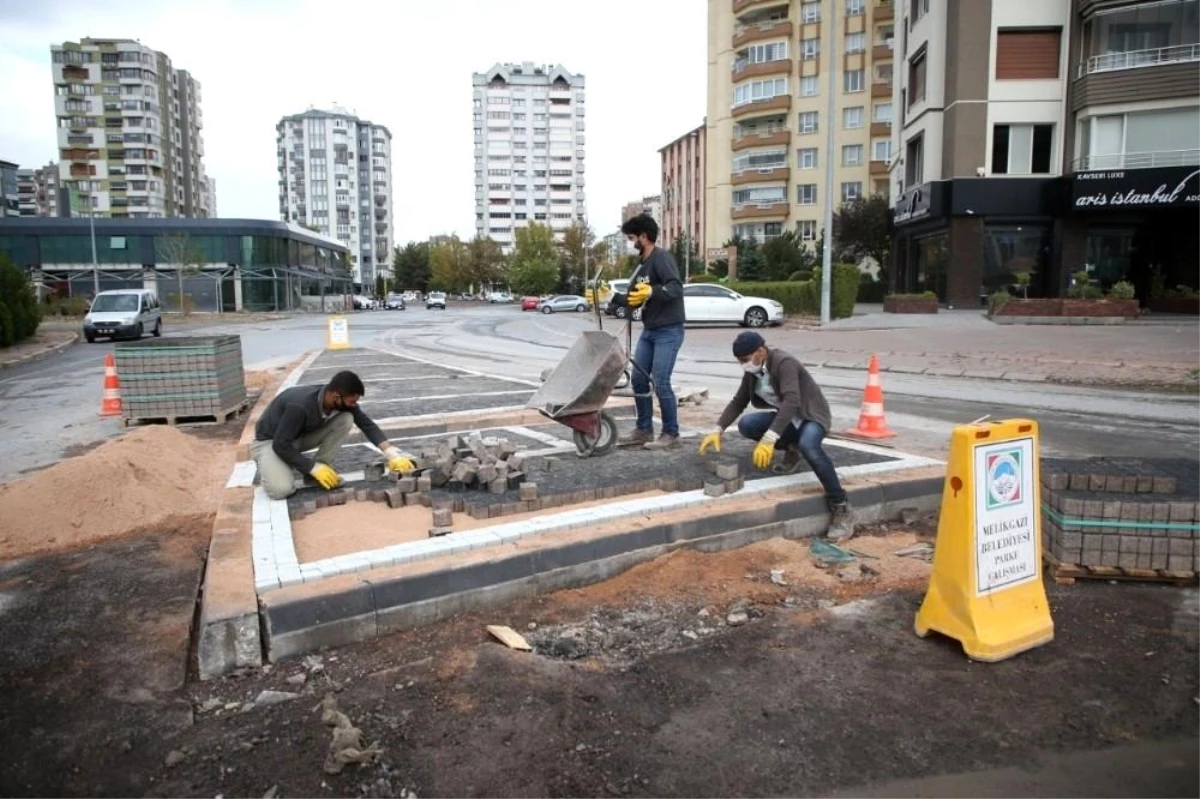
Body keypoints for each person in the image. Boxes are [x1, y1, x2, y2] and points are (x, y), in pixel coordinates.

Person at [698, 332, 855, 540]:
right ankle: (792, 448)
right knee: (748, 425)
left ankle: (840, 505)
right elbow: (738, 401)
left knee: (810, 446)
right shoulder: (753, 371)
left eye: (745, 360)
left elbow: (792, 401)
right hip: (788, 419)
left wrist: (771, 437)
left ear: (761, 351)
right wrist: (718, 429)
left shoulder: (784, 362)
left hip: (811, 417)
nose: (743, 365)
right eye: (740, 362)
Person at [252, 370, 415, 500]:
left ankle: (318, 471)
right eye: (352, 401)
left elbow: (366, 424)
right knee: (280, 491)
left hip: (298, 437)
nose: (354, 405)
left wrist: (392, 454)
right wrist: (311, 467)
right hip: (271, 441)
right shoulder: (299, 405)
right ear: (336, 397)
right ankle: (269, 463)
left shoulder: (339, 398)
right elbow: (280, 444)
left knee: (346, 418)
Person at [610, 213, 686, 451]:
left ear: (644, 236)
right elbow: (632, 299)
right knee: (640, 380)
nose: (631, 242)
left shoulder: (661, 258)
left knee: (661, 382)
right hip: (650, 330)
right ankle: (643, 430)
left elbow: (675, 287)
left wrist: (652, 292)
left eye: (632, 237)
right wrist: (608, 298)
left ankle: (671, 434)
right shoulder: (642, 264)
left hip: (669, 330)